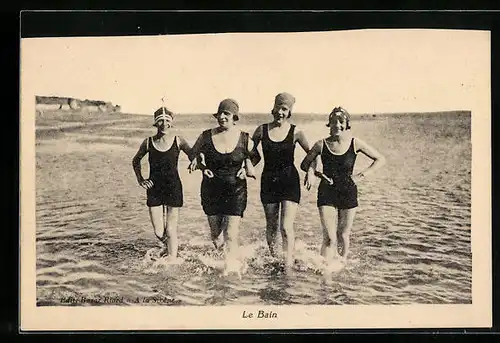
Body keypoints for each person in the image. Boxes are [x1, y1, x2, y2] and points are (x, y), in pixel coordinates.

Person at [300, 106, 386, 268]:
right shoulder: (321, 145)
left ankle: (341, 268)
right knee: (330, 237)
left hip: (348, 192)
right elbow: (304, 164)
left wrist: (361, 176)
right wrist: (316, 173)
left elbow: (380, 159)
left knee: (343, 235)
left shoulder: (355, 143)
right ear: (329, 124)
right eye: (333, 122)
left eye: (341, 122)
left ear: (347, 124)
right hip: (327, 192)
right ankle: (325, 270)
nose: (337, 125)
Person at [189, 98, 256, 275]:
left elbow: (255, 156)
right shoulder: (205, 136)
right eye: (220, 113)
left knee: (231, 234)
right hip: (211, 189)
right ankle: (221, 264)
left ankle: (231, 271)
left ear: (234, 116)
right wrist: (202, 167)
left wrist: (245, 168)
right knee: (216, 235)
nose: (222, 117)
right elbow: (192, 154)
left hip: (236, 190)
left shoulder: (245, 138)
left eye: (226, 113)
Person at [249, 92, 313, 269]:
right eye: (278, 108)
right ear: (273, 108)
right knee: (271, 225)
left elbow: (313, 154)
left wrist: (311, 171)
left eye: (285, 109)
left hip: (289, 181)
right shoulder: (261, 130)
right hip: (269, 181)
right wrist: (247, 166)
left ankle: (288, 263)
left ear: (289, 112)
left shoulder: (296, 132)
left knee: (285, 226)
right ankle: (274, 257)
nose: (281, 113)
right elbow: (250, 153)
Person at [132, 106, 192, 260]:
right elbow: (136, 160)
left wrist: (195, 163)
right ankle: (173, 247)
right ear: (156, 124)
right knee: (159, 232)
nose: (164, 124)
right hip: (154, 189)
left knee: (171, 230)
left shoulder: (178, 141)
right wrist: (141, 179)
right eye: (160, 121)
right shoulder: (148, 142)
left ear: (171, 123)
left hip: (174, 188)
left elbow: (194, 154)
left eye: (167, 121)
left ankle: (172, 262)